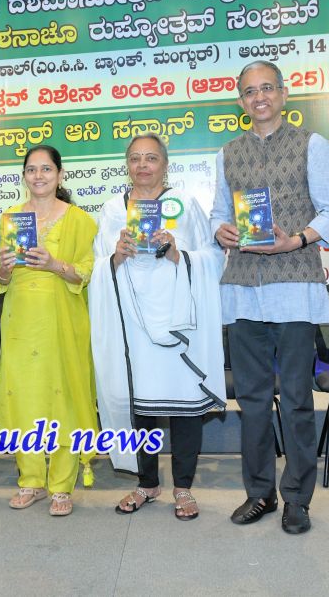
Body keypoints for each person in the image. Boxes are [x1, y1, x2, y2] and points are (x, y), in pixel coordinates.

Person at [209, 61, 329, 534]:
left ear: (284, 95)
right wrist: (221, 230)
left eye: (267, 88)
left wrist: (299, 239)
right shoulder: (227, 153)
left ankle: (297, 499)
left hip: (294, 289)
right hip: (243, 292)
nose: (259, 97)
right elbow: (218, 213)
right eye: (250, 91)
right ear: (241, 102)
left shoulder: (312, 145)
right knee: (251, 400)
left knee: (295, 400)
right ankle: (259, 493)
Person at [89, 133, 226, 520]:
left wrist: (177, 253)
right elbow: (96, 266)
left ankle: (183, 487)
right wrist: (116, 256)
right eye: (135, 158)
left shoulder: (183, 205)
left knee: (184, 405)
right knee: (140, 405)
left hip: (178, 323)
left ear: (165, 164)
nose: (142, 165)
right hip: (131, 324)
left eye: (151, 158)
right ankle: (147, 483)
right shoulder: (112, 209)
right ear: (127, 165)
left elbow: (212, 258)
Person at [0, 144, 98, 517]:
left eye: (46, 169)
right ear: (24, 176)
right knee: (23, 396)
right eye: (31, 169)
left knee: (64, 397)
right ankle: (31, 481)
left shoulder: (80, 220)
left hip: (62, 318)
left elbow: (85, 272)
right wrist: (4, 268)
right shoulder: (11, 218)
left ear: (60, 174)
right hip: (20, 320)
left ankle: (62, 486)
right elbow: (1, 279)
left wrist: (54, 265)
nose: (38, 176)